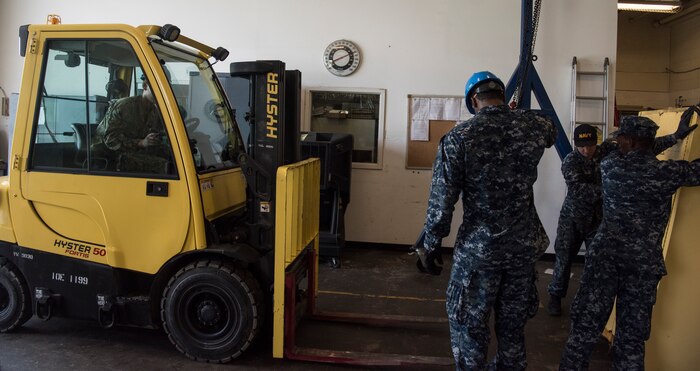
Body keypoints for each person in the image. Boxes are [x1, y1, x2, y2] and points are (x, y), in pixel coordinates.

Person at [414, 71, 556, 370]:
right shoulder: (534, 127)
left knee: (470, 329)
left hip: (479, 255)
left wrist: (431, 244)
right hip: (521, 252)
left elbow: (442, 203)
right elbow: (550, 129)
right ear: (502, 96)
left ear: (473, 101)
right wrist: (519, 117)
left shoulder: (459, 138)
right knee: (513, 331)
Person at [559, 108, 700, 370]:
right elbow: (675, 163)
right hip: (641, 265)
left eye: (622, 138)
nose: (618, 141)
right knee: (632, 338)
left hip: (604, 260)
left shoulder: (610, 166)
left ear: (631, 142)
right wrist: (677, 137)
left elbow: (639, 151)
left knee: (584, 332)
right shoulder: (666, 173)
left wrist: (671, 138)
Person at [546, 118, 692, 316]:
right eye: (581, 147)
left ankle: (588, 303)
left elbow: (644, 148)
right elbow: (580, 190)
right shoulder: (571, 162)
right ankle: (556, 296)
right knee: (563, 259)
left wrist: (675, 137)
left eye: (589, 146)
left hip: (598, 219)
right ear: (575, 145)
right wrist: (616, 186)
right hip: (573, 219)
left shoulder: (607, 150)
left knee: (595, 263)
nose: (586, 151)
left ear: (596, 143)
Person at [94, 76, 171, 173]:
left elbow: (156, 133)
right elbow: (110, 140)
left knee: (171, 155)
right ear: (145, 86)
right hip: (109, 153)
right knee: (165, 166)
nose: (162, 93)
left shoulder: (154, 111)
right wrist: (141, 143)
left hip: (132, 150)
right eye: (158, 88)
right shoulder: (124, 106)